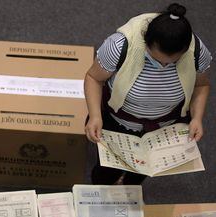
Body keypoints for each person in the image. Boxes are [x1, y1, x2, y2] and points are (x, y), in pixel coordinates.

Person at [84, 3, 212, 185]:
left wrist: (197, 118)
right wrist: (95, 115)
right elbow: (94, 78)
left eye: (173, 62)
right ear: (146, 42)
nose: (163, 67)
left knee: (143, 170)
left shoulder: (197, 52)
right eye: (156, 60)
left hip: (163, 127)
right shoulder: (120, 45)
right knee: (106, 171)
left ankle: (129, 186)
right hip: (118, 122)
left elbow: (201, 85)